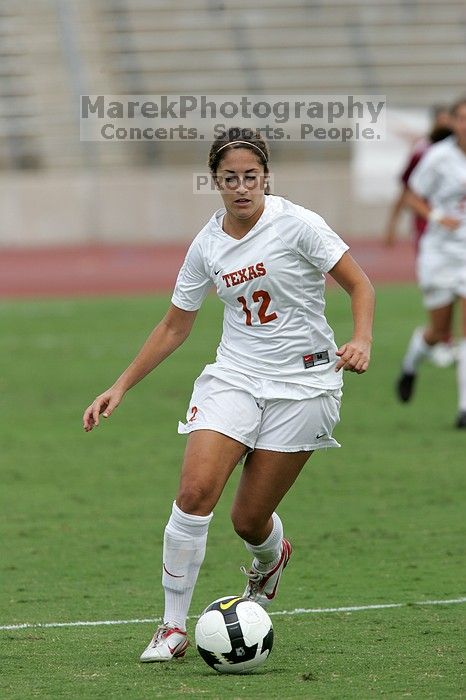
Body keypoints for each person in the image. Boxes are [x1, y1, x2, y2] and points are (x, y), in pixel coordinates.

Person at [83, 128, 375, 663]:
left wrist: (360, 339)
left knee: (248, 520)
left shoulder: (299, 225)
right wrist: (119, 386)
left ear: (265, 177)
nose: (241, 187)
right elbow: (175, 326)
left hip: (305, 384)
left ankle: (270, 558)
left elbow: (361, 285)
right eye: (229, 178)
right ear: (214, 182)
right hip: (235, 376)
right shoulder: (208, 243)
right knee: (194, 493)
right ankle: (171, 628)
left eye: (251, 177)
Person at [396, 98, 466, 428]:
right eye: (462, 118)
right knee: (438, 333)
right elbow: (410, 195)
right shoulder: (438, 157)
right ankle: (411, 365)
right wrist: (438, 216)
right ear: (452, 122)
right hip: (439, 253)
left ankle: (464, 408)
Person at [385, 106, 455, 369]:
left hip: (460, 239)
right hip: (432, 235)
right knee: (442, 292)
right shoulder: (425, 152)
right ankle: (440, 340)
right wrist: (391, 225)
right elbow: (408, 190)